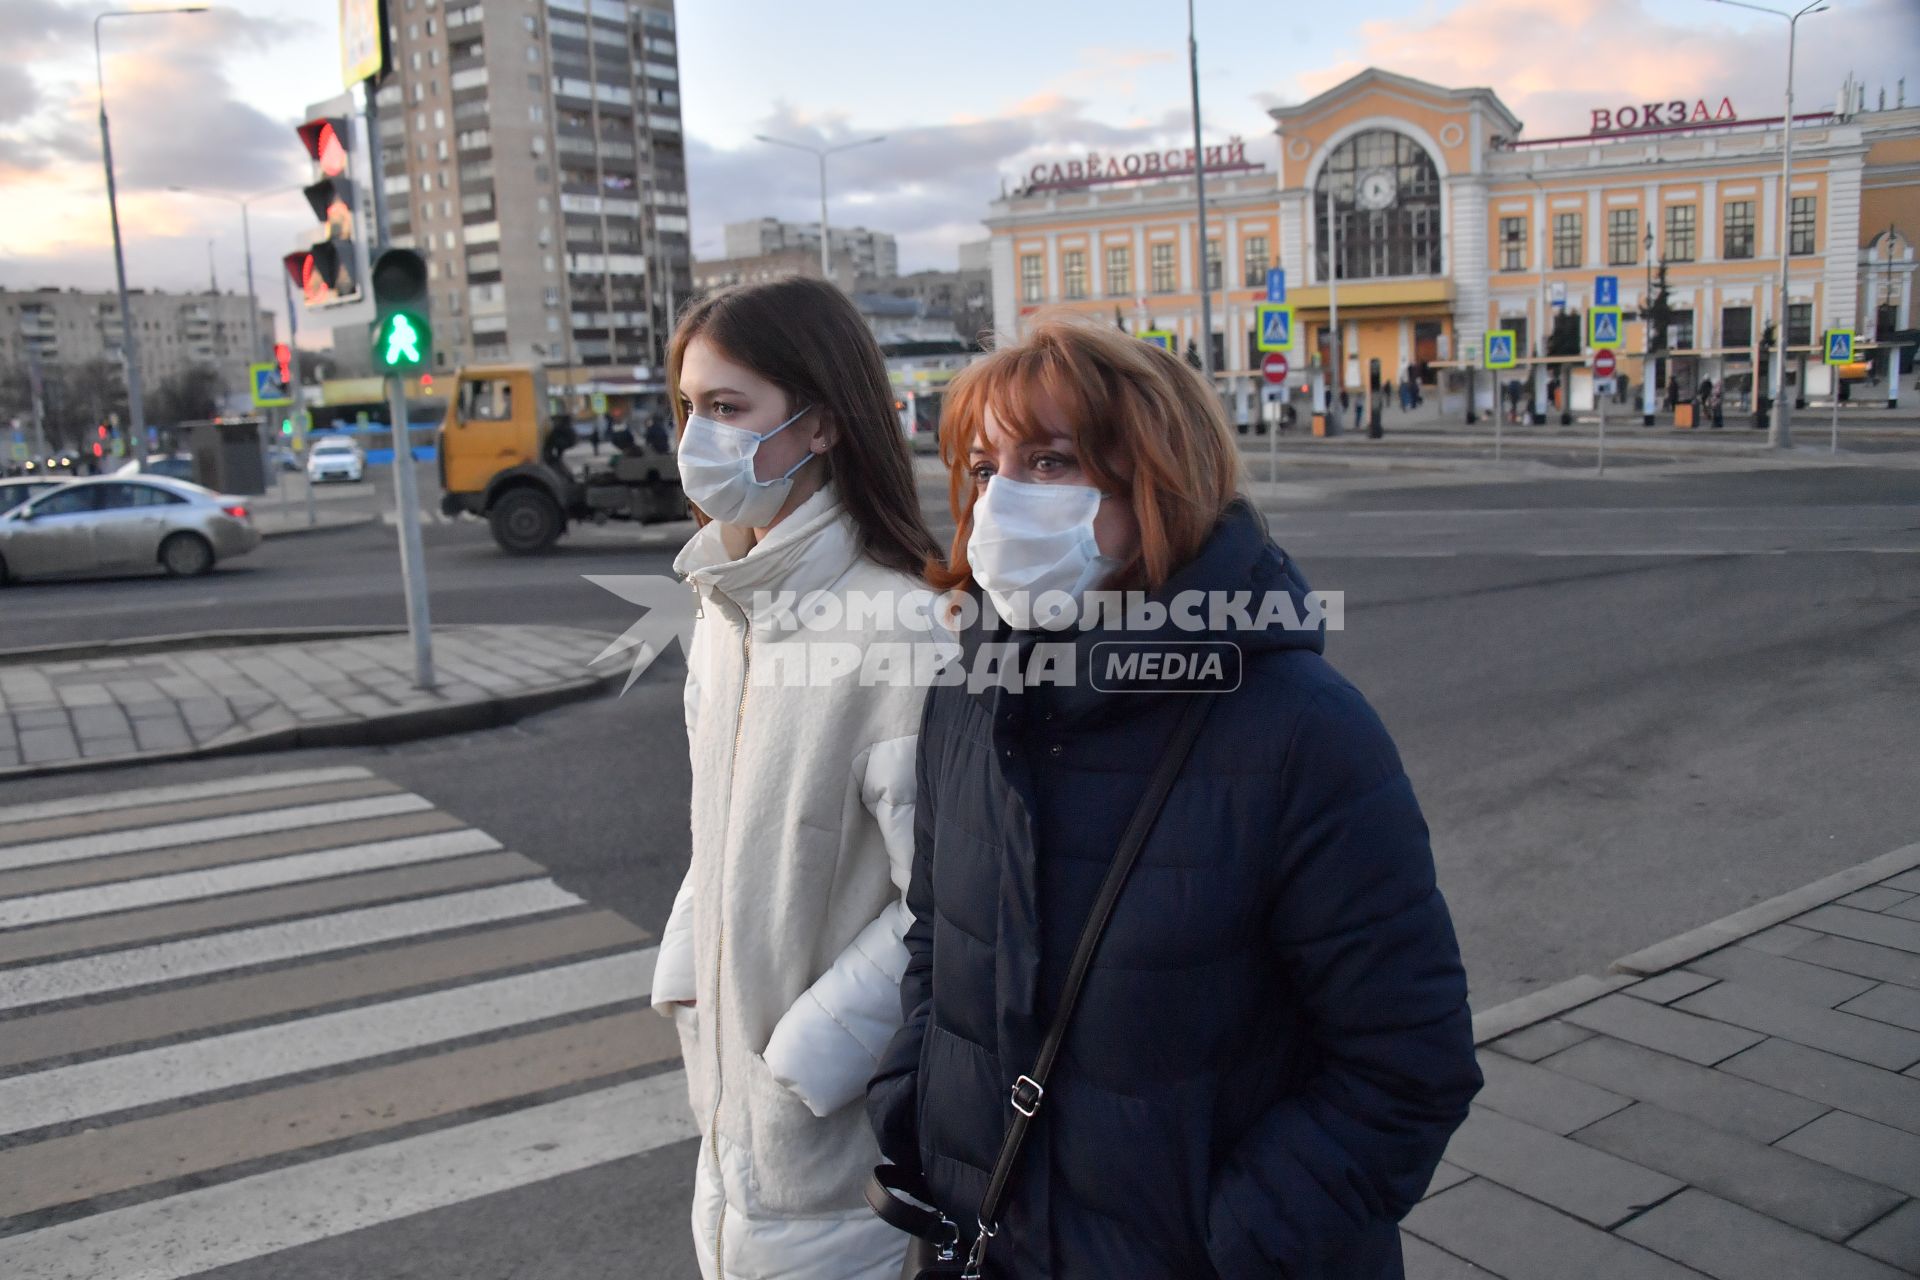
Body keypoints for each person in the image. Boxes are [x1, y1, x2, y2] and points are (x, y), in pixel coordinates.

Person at [868, 318, 1482, 1279]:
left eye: (1050, 461)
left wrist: (1235, 1241)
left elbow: (1409, 1064)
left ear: (1156, 476)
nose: (1000, 503)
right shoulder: (969, 693)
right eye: (986, 469)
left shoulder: (1301, 731)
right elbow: (937, 938)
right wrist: (915, 1101)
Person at [651, 277, 946, 1280]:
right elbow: (716, 829)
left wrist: (802, 1060)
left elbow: (947, 904)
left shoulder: (899, 625)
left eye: (729, 408)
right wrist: (689, 983)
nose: (698, 435)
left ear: (821, 424)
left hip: (835, 1162)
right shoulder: (722, 606)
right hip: (730, 1145)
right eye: (689, 406)